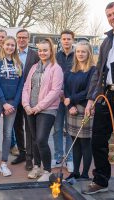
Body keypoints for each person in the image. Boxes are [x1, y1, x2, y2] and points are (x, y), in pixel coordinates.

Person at [82, 2, 114, 198]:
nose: (113, 17)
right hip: (106, 96)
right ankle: (100, 179)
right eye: (109, 15)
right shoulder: (106, 41)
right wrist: (90, 99)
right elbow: (98, 73)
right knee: (98, 139)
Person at [22, 38, 63, 182]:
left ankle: (47, 171)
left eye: (45, 50)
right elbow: (27, 87)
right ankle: (37, 166)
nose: (42, 52)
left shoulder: (56, 68)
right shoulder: (34, 67)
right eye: (40, 50)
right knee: (34, 140)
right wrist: (26, 105)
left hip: (47, 110)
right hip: (31, 109)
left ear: (51, 51)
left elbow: (55, 91)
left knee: (41, 139)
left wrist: (39, 107)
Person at [0, 36, 24, 177]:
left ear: (15, 47)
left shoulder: (18, 63)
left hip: (12, 102)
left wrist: (13, 103)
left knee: (8, 133)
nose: (10, 47)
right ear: (3, 45)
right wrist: (4, 102)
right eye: (8, 45)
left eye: (12, 45)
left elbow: (21, 85)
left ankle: (3, 164)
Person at [64, 42, 95, 182]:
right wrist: (70, 104)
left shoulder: (93, 70)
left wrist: (71, 99)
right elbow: (66, 90)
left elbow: (89, 91)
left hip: (85, 109)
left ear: (88, 53)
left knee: (85, 143)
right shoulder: (71, 70)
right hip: (71, 110)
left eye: (83, 52)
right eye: (78, 52)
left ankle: (85, 174)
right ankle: (75, 172)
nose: (80, 54)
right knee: (74, 143)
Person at [12, 29, 39, 171]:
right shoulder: (12, 53)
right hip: (15, 96)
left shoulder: (35, 55)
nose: (21, 40)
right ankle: (21, 152)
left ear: (28, 39)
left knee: (29, 128)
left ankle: (30, 157)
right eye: (19, 37)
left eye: (24, 37)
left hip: (29, 97)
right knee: (17, 126)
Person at [52, 30, 75, 173]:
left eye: (69, 39)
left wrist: (70, 97)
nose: (66, 41)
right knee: (57, 129)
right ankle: (58, 156)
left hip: (72, 99)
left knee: (70, 130)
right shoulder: (56, 56)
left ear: (73, 40)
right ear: (60, 40)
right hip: (58, 98)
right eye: (64, 39)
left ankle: (70, 158)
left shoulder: (78, 56)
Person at [0, 29, 18, 156]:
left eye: (3, 37)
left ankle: (12, 145)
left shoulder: (16, 60)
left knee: (9, 127)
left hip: (10, 98)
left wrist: (12, 102)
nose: (1, 39)